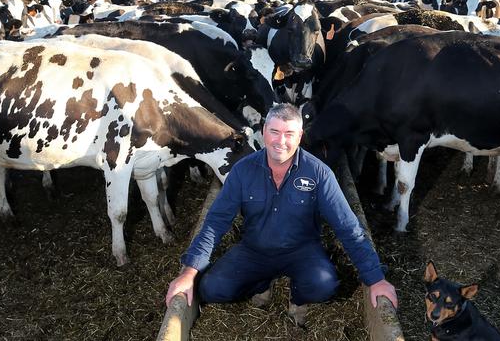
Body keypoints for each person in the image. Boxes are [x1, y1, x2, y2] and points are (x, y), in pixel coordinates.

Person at [165, 103, 397, 326]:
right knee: (211, 289)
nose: (281, 141)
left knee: (324, 285)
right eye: (274, 131)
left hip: (302, 250)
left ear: (300, 136)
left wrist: (376, 279)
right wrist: (189, 272)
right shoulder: (243, 170)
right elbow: (216, 222)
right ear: (264, 132)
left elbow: (347, 227)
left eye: (289, 133)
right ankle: (262, 283)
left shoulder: (318, 173)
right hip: (254, 250)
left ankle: (297, 298)